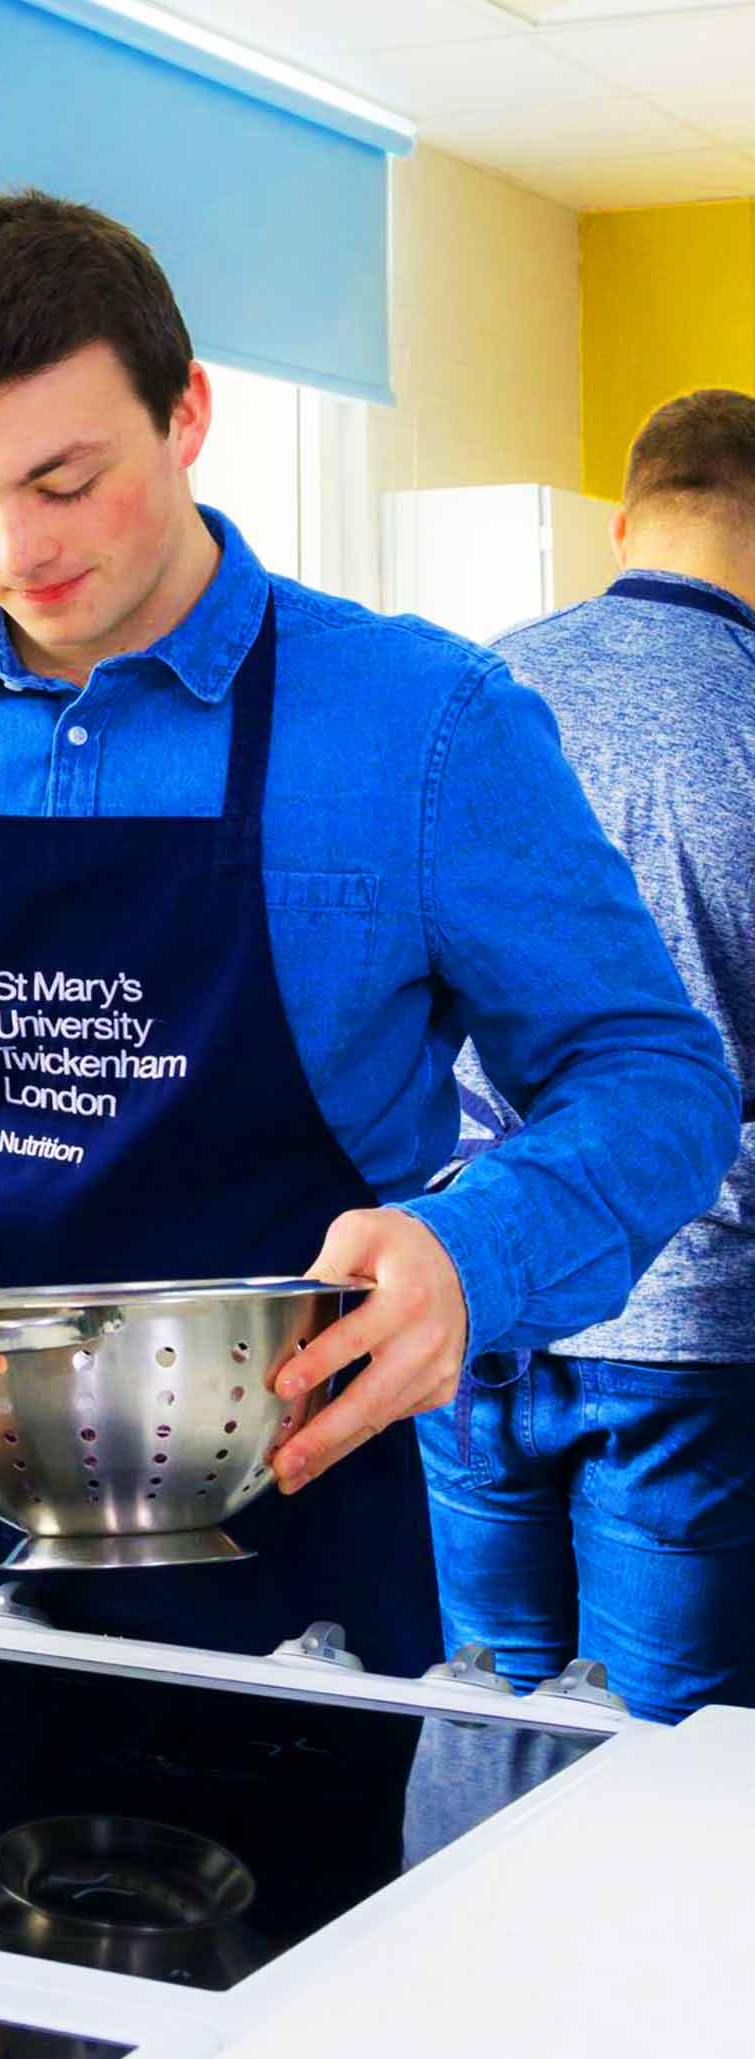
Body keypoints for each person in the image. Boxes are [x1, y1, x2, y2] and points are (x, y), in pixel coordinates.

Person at [0, 193, 738, 1674]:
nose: (15, 552)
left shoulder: (421, 727)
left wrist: (474, 1248)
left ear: (186, 413)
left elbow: (652, 1072)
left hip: (291, 1521)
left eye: (65, 479)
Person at [425, 388, 755, 1723]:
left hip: (465, 1297)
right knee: (667, 1763)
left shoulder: (468, 695)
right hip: (691, 1321)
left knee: (492, 1735)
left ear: (624, 523)